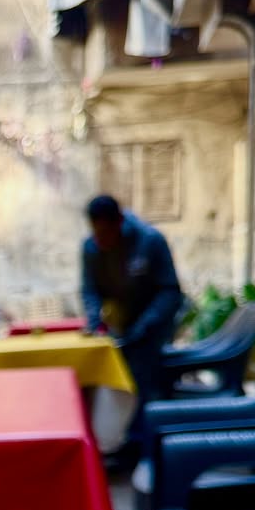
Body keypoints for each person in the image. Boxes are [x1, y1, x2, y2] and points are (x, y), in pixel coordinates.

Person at [81, 195, 183, 459]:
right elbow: (90, 290)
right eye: (97, 233)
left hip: (154, 326)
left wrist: (146, 325)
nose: (101, 239)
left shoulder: (150, 241)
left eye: (107, 232)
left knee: (140, 372)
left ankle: (140, 447)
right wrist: (94, 319)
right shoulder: (90, 248)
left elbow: (171, 292)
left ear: (120, 223)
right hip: (122, 327)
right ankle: (109, 440)